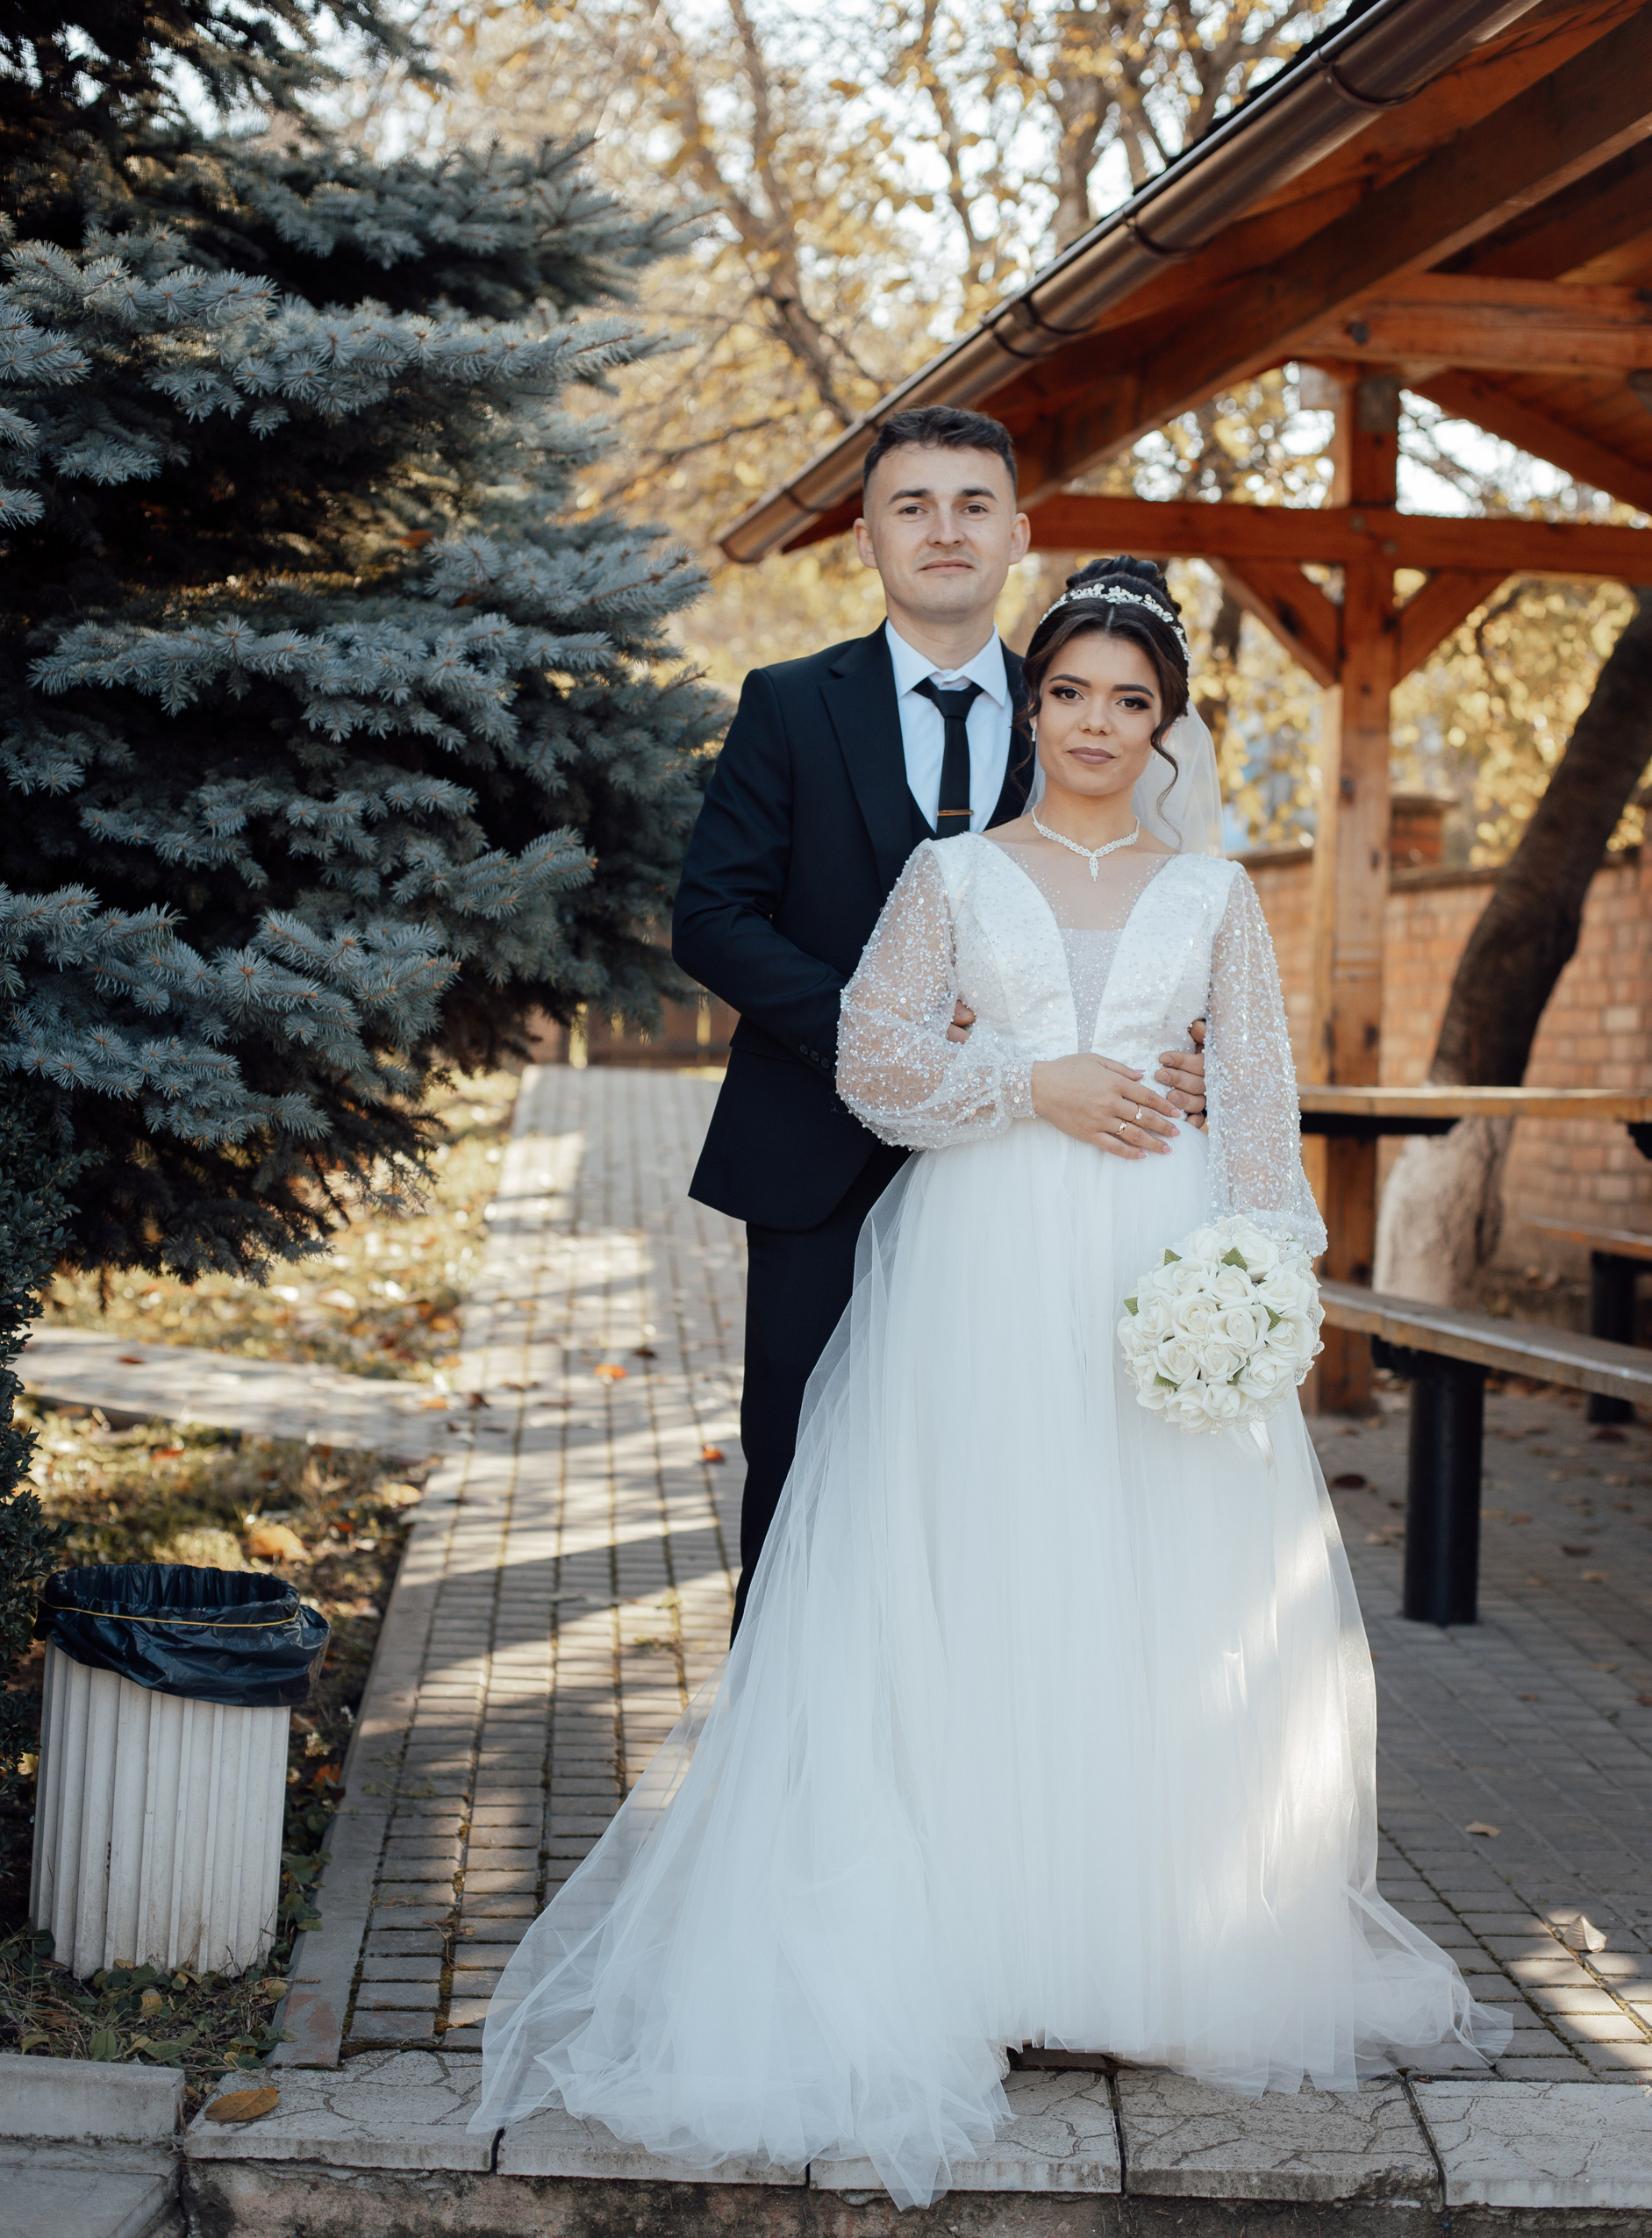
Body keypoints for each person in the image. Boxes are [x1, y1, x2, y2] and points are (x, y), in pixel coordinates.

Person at [473, 556, 1511, 2202]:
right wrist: (1037, 1082)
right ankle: (966, 1937)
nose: (1097, 723)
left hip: (1156, 1250)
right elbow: (880, 1063)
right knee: (980, 1568)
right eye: (1072, 693)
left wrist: (1258, 1278)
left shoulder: (1216, 895)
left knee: (1147, 1584)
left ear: (1167, 726)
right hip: (981, 1257)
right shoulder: (951, 874)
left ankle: (1130, 1945)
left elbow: (1258, 1100)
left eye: (1131, 701)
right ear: (1033, 707)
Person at [669, 405, 1207, 1634]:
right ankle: (787, 1742)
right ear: (868, 538)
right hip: (814, 1151)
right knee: (800, 1476)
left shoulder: (1081, 708)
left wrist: (1187, 1054)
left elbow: (1159, 914)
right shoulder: (788, 703)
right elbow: (713, 917)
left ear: (1019, 534)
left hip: (1027, 1177)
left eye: (974, 505)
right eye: (912, 506)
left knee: (1003, 1481)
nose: (945, 530)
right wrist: (882, 1032)